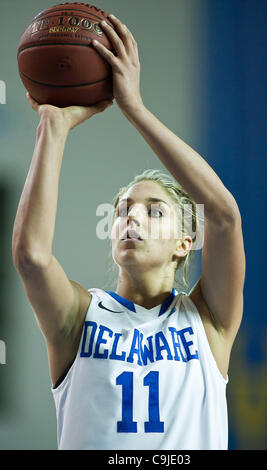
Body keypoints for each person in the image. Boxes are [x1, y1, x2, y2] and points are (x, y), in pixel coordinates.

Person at [12, 14, 245, 450]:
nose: (131, 218)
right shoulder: (80, 318)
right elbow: (32, 258)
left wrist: (134, 108)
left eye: (154, 211)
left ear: (186, 242)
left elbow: (224, 216)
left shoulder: (207, 321)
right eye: (122, 210)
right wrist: (54, 129)